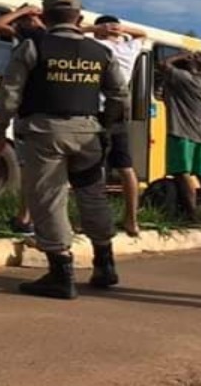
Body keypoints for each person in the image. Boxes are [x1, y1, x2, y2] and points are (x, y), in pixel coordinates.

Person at [0, 0, 129, 299]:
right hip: (88, 133)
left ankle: (60, 272)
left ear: (47, 18)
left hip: (44, 133)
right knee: (93, 195)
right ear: (79, 20)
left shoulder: (33, 46)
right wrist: (106, 126)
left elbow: (10, 92)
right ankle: (105, 263)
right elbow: (120, 95)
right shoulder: (101, 52)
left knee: (49, 197)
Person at [85, 14, 147, 236]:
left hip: (97, 110)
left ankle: (94, 220)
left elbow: (72, 32)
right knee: (125, 167)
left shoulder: (95, 44)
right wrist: (119, 28)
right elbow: (142, 34)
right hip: (120, 111)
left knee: (93, 166)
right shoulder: (130, 48)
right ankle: (132, 221)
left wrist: (96, 28)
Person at [0, 4, 47, 235]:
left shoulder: (34, 38)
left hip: (31, 114)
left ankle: (26, 219)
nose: (19, 25)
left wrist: (24, 11)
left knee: (30, 169)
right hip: (54, 115)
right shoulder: (60, 40)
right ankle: (34, 220)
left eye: (24, 20)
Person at [158, 51, 201, 225]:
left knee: (182, 174)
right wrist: (199, 62)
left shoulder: (185, 79)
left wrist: (179, 56)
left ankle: (191, 215)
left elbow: (163, 64)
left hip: (180, 132)